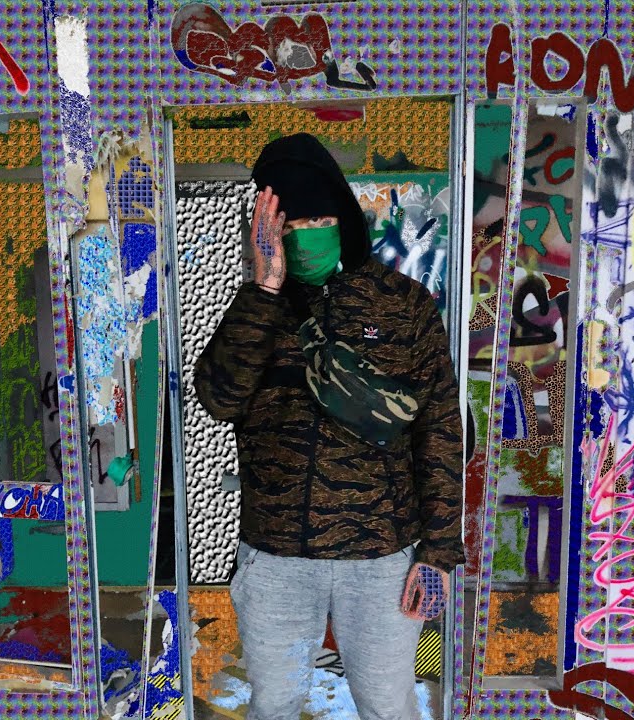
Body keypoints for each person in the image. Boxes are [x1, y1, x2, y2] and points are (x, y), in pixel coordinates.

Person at [193, 133, 465, 720]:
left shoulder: (402, 304)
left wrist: (439, 551)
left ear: (342, 218)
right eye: (290, 224)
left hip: (382, 557)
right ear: (267, 231)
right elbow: (218, 398)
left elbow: (440, 428)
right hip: (276, 559)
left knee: (388, 706)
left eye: (320, 219)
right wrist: (264, 290)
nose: (307, 234)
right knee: (275, 706)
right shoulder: (256, 308)